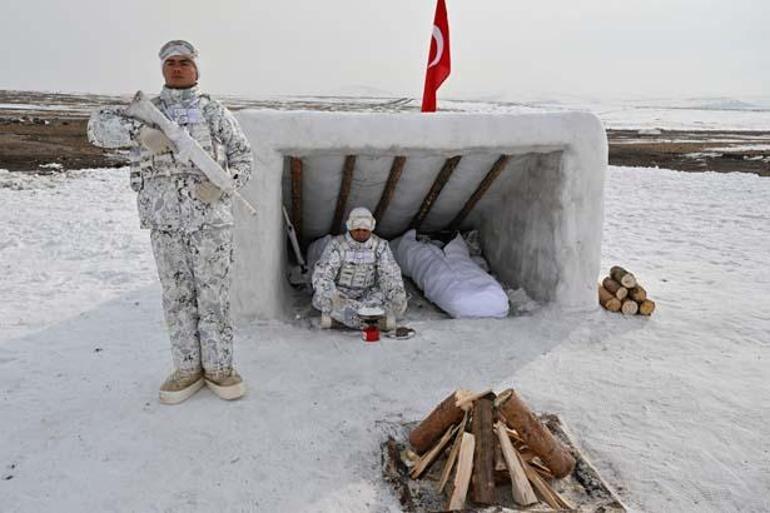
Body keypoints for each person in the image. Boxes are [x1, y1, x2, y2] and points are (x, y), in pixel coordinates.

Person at [87, 40, 253, 404]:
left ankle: (219, 368)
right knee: (177, 298)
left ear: (197, 69)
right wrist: (140, 135)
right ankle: (187, 368)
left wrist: (225, 186)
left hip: (211, 222)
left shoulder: (216, 113)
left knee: (214, 298)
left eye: (185, 62)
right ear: (163, 69)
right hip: (165, 222)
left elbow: (243, 156)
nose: (178, 68)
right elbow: (96, 128)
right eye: (171, 63)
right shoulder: (147, 112)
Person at [312, 207, 408, 330]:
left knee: (398, 302)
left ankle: (340, 321)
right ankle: (377, 323)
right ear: (350, 228)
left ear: (371, 229)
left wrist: (396, 292)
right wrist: (334, 296)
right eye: (357, 230)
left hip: (368, 295)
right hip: (341, 296)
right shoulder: (337, 245)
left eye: (365, 230)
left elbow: (389, 273)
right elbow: (322, 276)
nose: (361, 233)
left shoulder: (380, 246)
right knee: (323, 299)